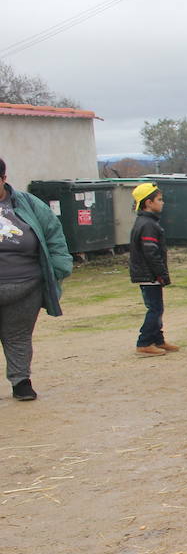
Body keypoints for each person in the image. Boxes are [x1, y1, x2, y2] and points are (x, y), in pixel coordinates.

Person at [0, 155, 72, 400]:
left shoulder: (28, 204)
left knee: (18, 336)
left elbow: (54, 234)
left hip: (25, 286)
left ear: (4, 179)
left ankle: (21, 381)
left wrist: (60, 268)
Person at [129, 182, 179, 356]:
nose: (162, 202)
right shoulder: (148, 224)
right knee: (155, 309)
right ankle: (143, 343)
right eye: (159, 199)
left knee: (158, 307)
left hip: (148, 274)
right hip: (149, 275)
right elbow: (151, 252)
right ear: (148, 203)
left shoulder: (146, 222)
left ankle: (158, 340)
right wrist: (161, 274)